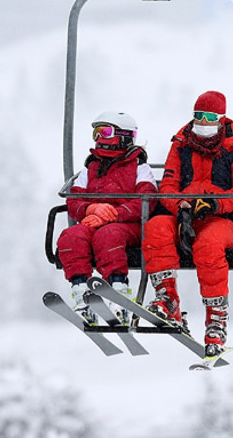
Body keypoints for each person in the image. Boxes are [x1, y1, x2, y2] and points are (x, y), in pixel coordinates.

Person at [142, 90, 233, 359]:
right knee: (158, 227)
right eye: (198, 117)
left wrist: (216, 203)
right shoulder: (180, 146)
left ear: (221, 119)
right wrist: (179, 204)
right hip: (185, 215)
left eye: (209, 117)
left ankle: (216, 321)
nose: (203, 123)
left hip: (221, 219)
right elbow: (169, 185)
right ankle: (167, 299)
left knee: (209, 244)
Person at [57, 110, 157, 324]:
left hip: (128, 227)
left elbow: (146, 201)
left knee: (108, 235)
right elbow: (74, 201)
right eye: (97, 132)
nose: (100, 138)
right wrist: (90, 210)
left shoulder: (139, 167)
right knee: (71, 236)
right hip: (93, 222)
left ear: (124, 135)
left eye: (106, 131)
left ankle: (119, 291)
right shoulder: (91, 167)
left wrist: (114, 214)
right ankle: (81, 291)